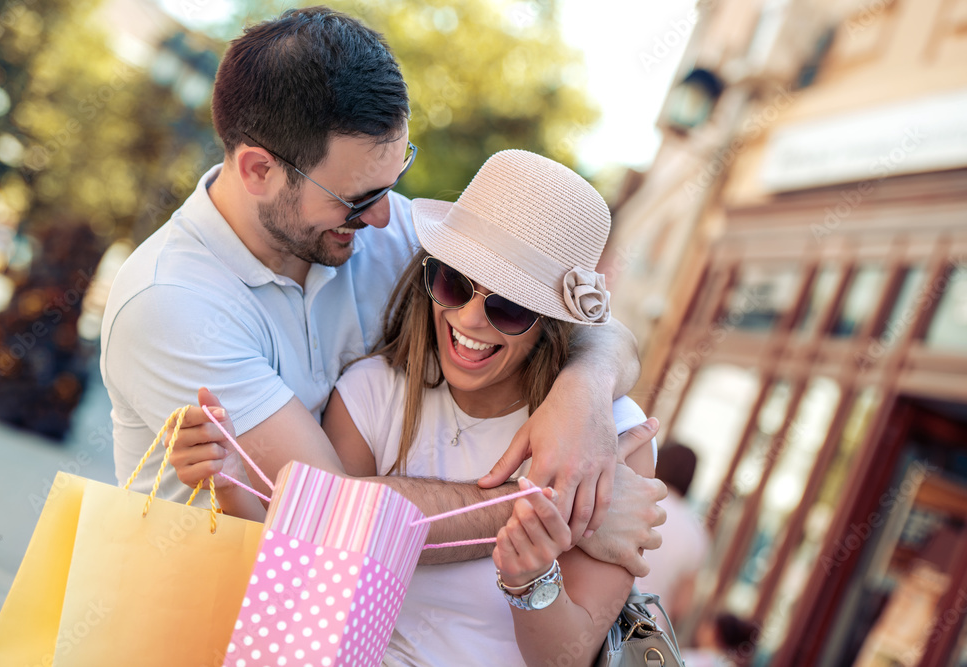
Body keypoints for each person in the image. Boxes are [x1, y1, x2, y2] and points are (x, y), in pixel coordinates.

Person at [101, 7, 665, 573]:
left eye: (392, 184)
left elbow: (562, 312)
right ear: (257, 170)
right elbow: (329, 513)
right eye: (355, 198)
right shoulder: (168, 305)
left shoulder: (380, 231)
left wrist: (585, 393)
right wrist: (558, 508)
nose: (380, 218)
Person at [172, 149, 657, 666]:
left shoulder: (611, 440)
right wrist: (227, 480)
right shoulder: (371, 393)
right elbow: (312, 565)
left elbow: (568, 658)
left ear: (553, 324)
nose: (469, 319)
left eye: (509, 307)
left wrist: (531, 582)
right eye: (452, 282)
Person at [638, 442, 711, 630]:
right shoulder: (696, 533)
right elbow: (682, 606)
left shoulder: (633, 498)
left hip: (597, 612)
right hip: (645, 632)